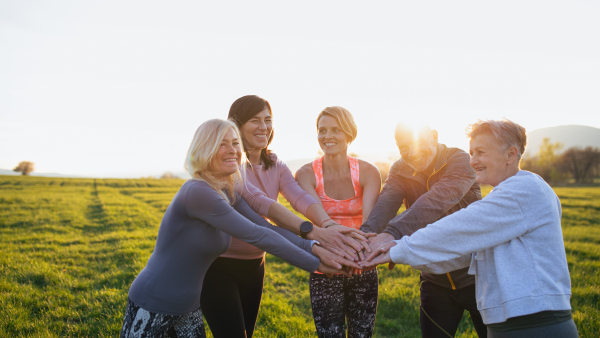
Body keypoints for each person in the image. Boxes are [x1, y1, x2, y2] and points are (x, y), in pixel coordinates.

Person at [120, 119, 357, 338]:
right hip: (154, 302)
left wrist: (314, 247)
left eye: (235, 143)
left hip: (188, 307)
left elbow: (266, 226)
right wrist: (317, 264)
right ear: (205, 149)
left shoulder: (227, 190)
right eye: (222, 144)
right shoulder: (198, 191)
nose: (233, 149)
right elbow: (258, 235)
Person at [363, 119, 578, 338]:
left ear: (511, 154)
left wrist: (395, 247)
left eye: (481, 152)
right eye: (472, 152)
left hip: (533, 323)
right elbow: (469, 254)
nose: (473, 161)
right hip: (503, 321)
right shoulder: (504, 193)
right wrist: (387, 249)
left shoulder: (522, 191)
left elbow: (458, 229)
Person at [200, 96, 368, 338]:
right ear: (235, 125)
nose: (264, 127)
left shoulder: (275, 164)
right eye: (254, 121)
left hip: (255, 264)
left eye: (267, 120)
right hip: (219, 267)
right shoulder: (230, 165)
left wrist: (327, 223)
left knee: (247, 332)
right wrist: (316, 234)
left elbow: (299, 197)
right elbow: (261, 203)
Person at [361, 123, 487, 337]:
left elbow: (435, 201)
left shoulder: (460, 160)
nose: (412, 152)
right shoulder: (400, 168)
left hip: (479, 278)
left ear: (434, 136)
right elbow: (386, 202)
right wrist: (363, 239)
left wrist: (392, 234)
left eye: (418, 142)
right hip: (435, 279)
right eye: (403, 147)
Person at [295, 106, 382, 338]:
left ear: (349, 134)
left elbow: (369, 223)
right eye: (322, 130)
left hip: (362, 261)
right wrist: (339, 257)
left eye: (336, 130)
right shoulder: (305, 174)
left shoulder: (368, 172)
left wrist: (358, 257)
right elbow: (321, 222)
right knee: (329, 335)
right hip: (325, 265)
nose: (327, 136)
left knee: (362, 334)